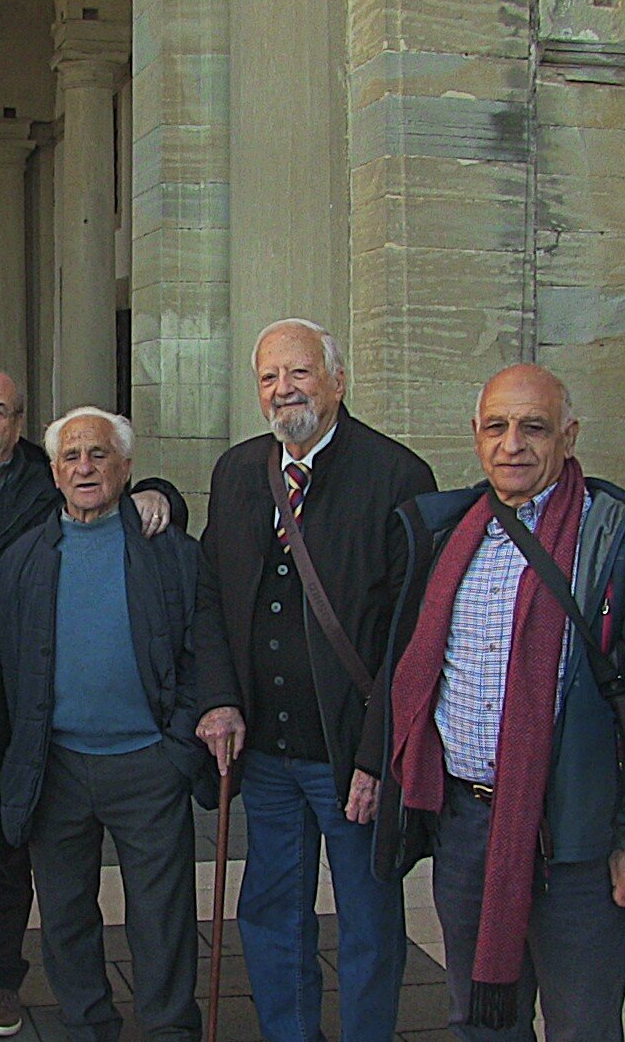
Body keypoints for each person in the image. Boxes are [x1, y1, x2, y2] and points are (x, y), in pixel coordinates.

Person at [369, 364, 625, 1039]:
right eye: (497, 427)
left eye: (534, 428)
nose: (514, 444)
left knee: (583, 1024)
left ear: (568, 436)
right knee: (479, 1018)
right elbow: (408, 672)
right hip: (468, 824)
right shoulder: (447, 534)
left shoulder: (611, 539)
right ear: (475, 436)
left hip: (576, 833)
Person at [0, 368, 185, 1036]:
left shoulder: (40, 488)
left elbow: (116, 503)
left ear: (18, 426)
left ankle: (1, 982)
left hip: (12, 702)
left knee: (9, 848)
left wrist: (160, 493)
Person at [193, 317, 436, 1041]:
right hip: (263, 752)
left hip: (348, 755)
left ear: (337, 380)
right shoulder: (238, 472)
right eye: (269, 377)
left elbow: (411, 633)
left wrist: (375, 753)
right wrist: (218, 699)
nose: (282, 389)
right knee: (270, 911)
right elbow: (211, 593)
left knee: (367, 919)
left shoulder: (398, 475)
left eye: (299, 373)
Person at [0, 407, 207, 1042]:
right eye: (72, 457)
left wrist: (179, 749)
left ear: (128, 469)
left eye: (100, 455)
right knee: (63, 915)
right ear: (54, 472)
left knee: (162, 915)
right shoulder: (24, 557)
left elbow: (201, 647)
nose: (86, 467)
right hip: (55, 765)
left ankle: (169, 1028)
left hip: (149, 765)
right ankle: (87, 1026)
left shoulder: (171, 554)